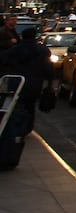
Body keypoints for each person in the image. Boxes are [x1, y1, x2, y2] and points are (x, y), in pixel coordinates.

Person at [0, 27, 55, 170]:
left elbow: (5, 63)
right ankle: (24, 128)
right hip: (33, 84)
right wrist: (50, 82)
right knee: (29, 106)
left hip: (16, 83)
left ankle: (17, 128)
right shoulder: (42, 51)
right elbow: (47, 68)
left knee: (15, 106)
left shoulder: (14, 50)